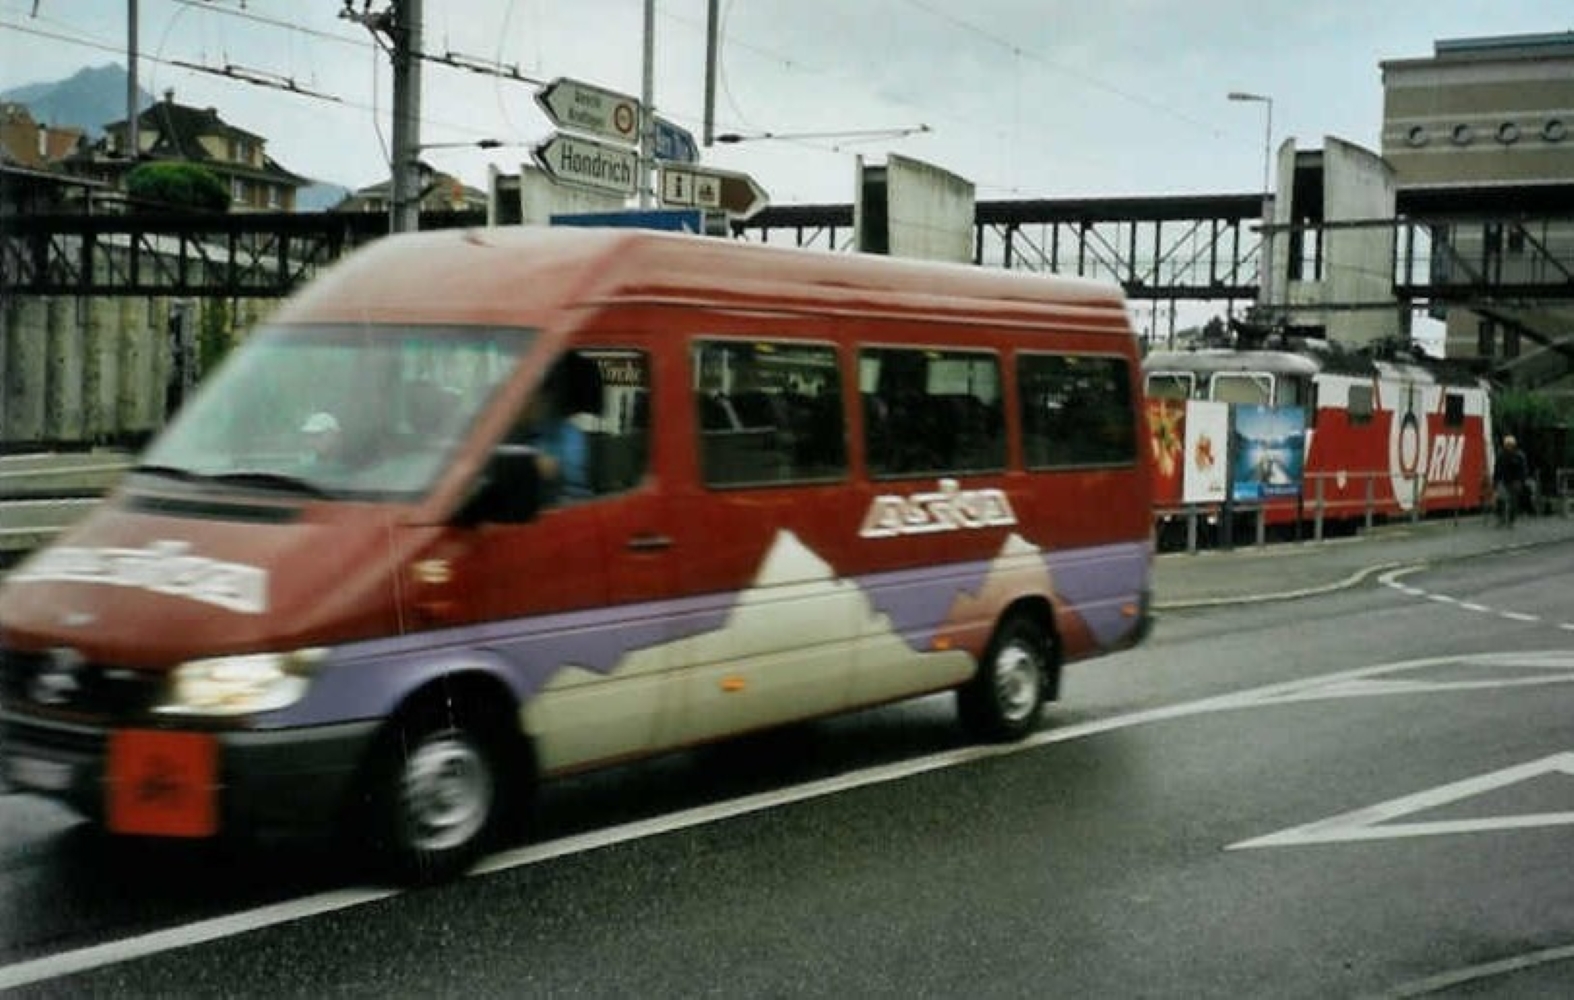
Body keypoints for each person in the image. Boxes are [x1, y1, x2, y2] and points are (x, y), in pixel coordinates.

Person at [1493, 433, 1529, 527]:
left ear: (1514, 445)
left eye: (1510, 444)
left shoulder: (1519, 456)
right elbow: (1497, 469)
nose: (1508, 446)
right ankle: (1500, 519)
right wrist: (1495, 482)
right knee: (1500, 500)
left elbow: (1524, 470)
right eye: (1507, 444)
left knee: (1513, 502)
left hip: (1515, 482)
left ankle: (1511, 521)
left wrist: (1521, 481)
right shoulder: (1501, 455)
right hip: (1503, 480)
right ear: (1504, 445)